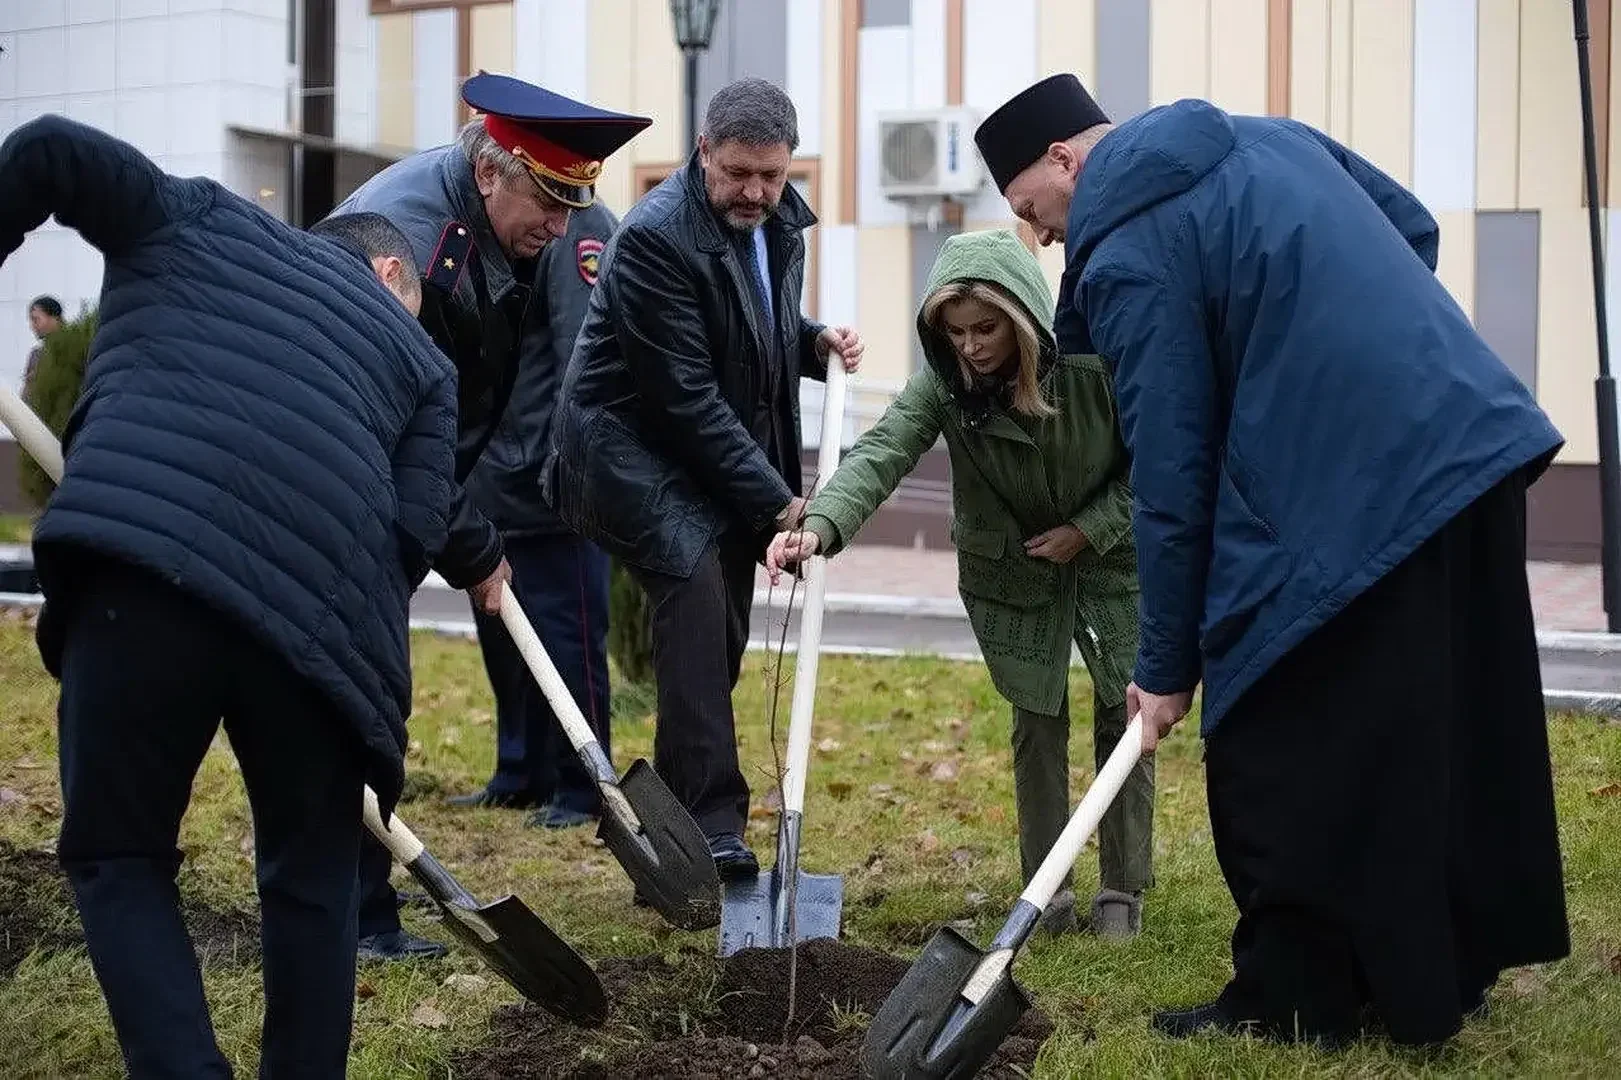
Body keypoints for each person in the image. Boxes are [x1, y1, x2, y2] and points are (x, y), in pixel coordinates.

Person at [974, 74, 1570, 1047]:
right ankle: (1424, 982)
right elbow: (1409, 230)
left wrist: (1164, 667)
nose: (1039, 240)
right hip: (1465, 441)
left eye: (1029, 212)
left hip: (1347, 488)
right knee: (1419, 734)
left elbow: (1171, 467)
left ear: (1065, 161)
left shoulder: (1127, 245)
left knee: (1265, 737)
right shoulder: (1272, 139)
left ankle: (1294, 1003)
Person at [0, 114, 457, 1079]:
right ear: (388, 277)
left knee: (120, 857)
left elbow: (44, 150)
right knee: (314, 885)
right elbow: (413, 536)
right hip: (321, 642)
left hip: (142, 579)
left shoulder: (192, 215)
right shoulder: (424, 365)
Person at [329, 71, 650, 960]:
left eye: (572, 200)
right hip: (340, 492)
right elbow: (397, 438)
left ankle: (352, 911)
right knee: (358, 702)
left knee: (356, 701)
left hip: (396, 482)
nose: (561, 224)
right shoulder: (411, 254)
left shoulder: (493, 224)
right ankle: (356, 920)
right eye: (546, 199)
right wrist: (474, 544)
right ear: (489, 172)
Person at [763, 228, 1153, 937]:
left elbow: (1153, 464)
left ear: (1023, 319)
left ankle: (1121, 892)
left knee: (1123, 714)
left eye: (986, 328)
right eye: (955, 330)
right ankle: (1048, 891)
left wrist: (1087, 528)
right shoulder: (943, 386)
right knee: (1035, 720)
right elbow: (880, 452)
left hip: (1111, 558)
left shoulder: (1095, 372)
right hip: (1014, 567)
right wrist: (817, 526)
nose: (971, 345)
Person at [546, 77, 864, 880]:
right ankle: (713, 826)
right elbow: (683, 394)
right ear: (701, 154)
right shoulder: (656, 237)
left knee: (714, 636)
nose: (755, 192)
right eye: (737, 174)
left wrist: (809, 340)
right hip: (628, 450)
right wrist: (781, 502)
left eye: (772, 174)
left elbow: (744, 317)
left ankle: (673, 817)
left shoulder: (778, 223)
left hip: (702, 451)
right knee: (692, 600)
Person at [451, 198, 619, 829]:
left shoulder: (579, 226)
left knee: (567, 641)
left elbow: (586, 359)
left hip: (550, 490)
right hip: (489, 480)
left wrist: (560, 469)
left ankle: (584, 788)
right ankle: (521, 771)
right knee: (504, 637)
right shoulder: (486, 219)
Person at [22, 294, 63, 391]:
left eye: (36, 319)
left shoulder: (73, 351)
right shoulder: (36, 355)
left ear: (54, 319)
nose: (32, 326)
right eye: (31, 320)